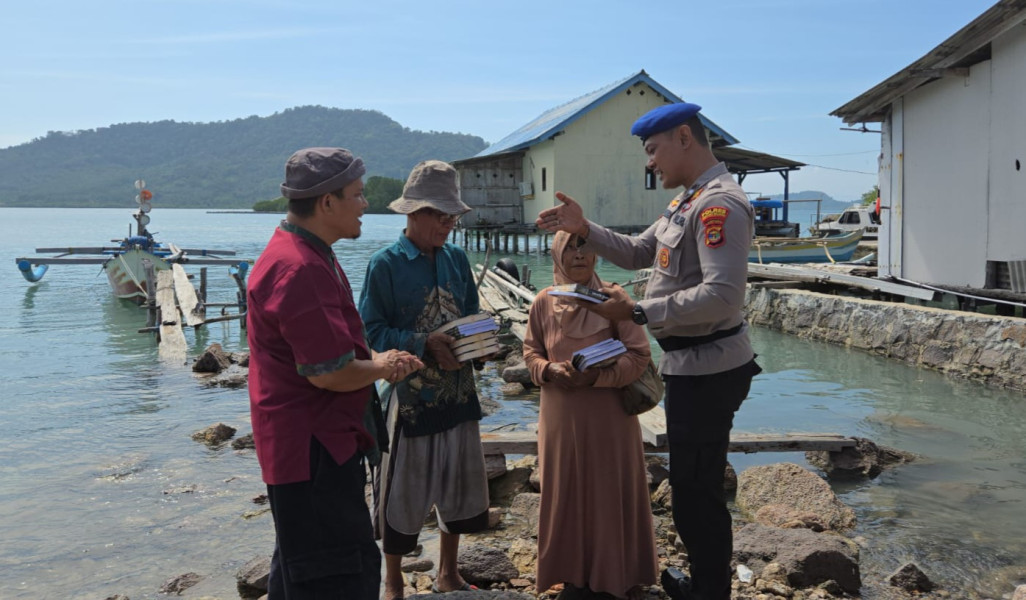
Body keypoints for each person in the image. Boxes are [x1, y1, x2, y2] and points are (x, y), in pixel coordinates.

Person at [536, 103, 762, 600]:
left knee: (698, 492)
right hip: (689, 364)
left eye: (653, 150)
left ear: (685, 137)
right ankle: (705, 583)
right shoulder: (689, 200)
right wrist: (585, 226)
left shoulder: (718, 205)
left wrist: (637, 314)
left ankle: (709, 593)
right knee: (690, 488)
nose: (649, 162)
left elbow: (723, 296)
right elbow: (640, 252)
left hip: (710, 367)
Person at [247, 147, 423, 600]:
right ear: (327, 202)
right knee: (338, 575)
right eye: (359, 194)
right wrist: (384, 366)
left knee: (301, 567)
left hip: (307, 445)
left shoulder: (305, 251)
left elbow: (334, 350)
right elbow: (329, 373)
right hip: (314, 450)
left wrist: (376, 358)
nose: (367, 203)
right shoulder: (299, 267)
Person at [358, 160, 491, 600]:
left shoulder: (456, 258)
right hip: (410, 398)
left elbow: (470, 316)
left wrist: (482, 343)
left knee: (457, 483)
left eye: (452, 215)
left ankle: (448, 572)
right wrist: (421, 342)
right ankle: (392, 581)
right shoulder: (386, 265)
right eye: (439, 214)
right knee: (403, 491)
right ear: (412, 214)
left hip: (459, 392)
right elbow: (370, 331)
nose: (448, 223)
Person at [522, 230, 659, 600]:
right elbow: (531, 353)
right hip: (560, 418)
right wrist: (550, 372)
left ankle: (616, 576)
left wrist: (598, 377)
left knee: (608, 490)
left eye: (585, 247)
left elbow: (639, 354)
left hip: (609, 417)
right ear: (556, 256)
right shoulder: (543, 302)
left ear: (596, 255)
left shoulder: (614, 300)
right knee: (564, 490)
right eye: (569, 248)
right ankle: (572, 576)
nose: (578, 255)